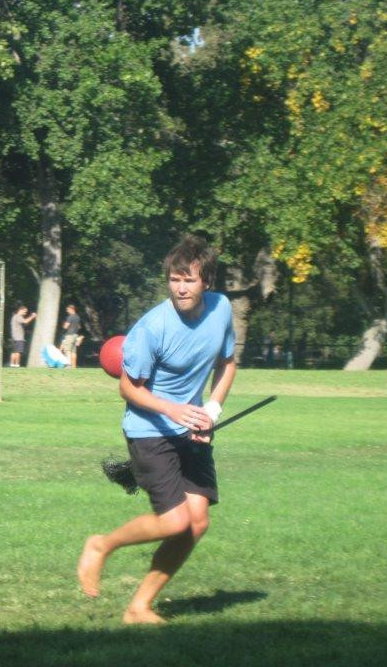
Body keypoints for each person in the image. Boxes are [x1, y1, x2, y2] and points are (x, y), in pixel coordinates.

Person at [76, 235, 237, 625]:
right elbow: (128, 388)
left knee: (196, 523)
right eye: (174, 279)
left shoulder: (221, 309)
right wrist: (173, 410)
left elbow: (227, 363)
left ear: (206, 282)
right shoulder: (152, 327)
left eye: (189, 280)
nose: (180, 288)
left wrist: (211, 412)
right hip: (148, 430)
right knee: (174, 521)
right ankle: (101, 545)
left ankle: (138, 607)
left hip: (190, 428)